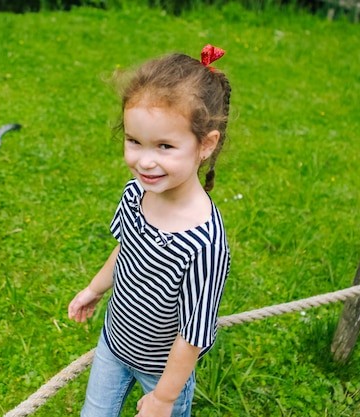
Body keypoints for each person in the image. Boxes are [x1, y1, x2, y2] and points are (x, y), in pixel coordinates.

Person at [68, 45, 232, 417]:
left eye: (165, 146)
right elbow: (126, 251)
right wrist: (95, 289)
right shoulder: (135, 194)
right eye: (134, 141)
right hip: (114, 344)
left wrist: (163, 398)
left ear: (205, 144)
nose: (145, 160)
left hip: (163, 370)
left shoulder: (205, 241)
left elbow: (194, 333)